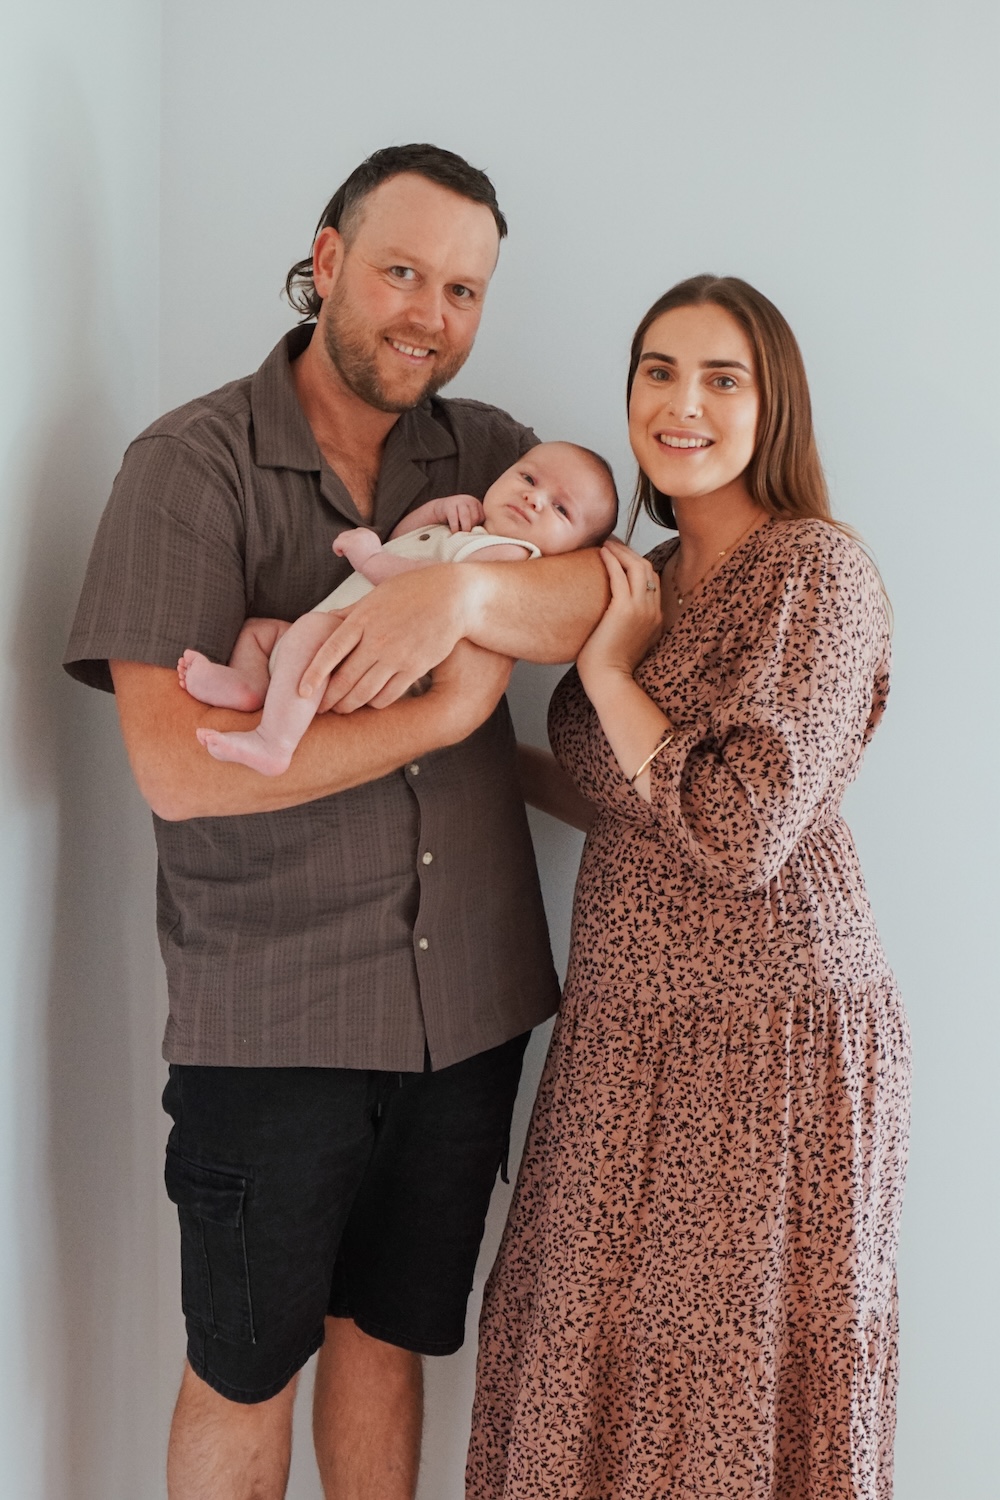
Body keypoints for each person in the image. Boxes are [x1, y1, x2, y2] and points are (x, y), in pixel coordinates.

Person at [63, 144, 608, 1500]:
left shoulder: (495, 456)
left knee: (389, 1341)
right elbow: (177, 770)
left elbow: (607, 593)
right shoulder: (189, 466)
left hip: (464, 1012)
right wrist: (441, 709)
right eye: (403, 273)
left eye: (463, 290)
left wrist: (460, 600)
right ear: (327, 261)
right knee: (244, 1368)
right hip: (274, 1018)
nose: (431, 315)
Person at [467, 275, 911, 1499]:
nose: (683, 404)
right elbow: (635, 799)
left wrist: (610, 673)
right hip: (623, 1027)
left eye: (723, 378)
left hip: (764, 1040)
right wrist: (467, 768)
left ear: (775, 406)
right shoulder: (648, 571)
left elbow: (735, 828)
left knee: (727, 1385)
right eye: (658, 370)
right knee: (579, 1364)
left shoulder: (814, 572)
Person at [178, 441, 618, 775]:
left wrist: (370, 560)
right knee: (260, 631)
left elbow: (427, 587)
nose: (534, 499)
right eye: (528, 479)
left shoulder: (511, 557)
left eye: (561, 509)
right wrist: (436, 511)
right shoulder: (470, 532)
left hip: (366, 647)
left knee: (307, 634)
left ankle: (274, 742)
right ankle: (251, 686)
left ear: (575, 550)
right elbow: (403, 541)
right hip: (335, 626)